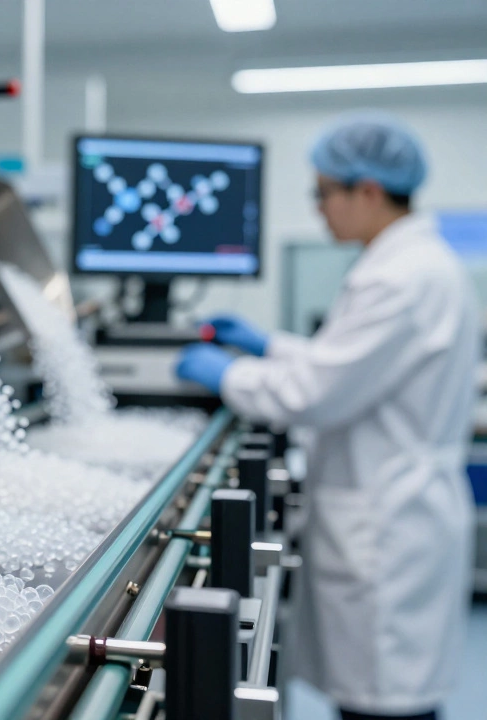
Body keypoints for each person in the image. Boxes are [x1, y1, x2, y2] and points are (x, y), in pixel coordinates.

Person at [175, 112, 478, 720]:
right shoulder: (407, 265)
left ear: (367, 190)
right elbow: (348, 365)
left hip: (389, 521)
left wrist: (225, 372)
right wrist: (270, 345)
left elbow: (312, 394)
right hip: (392, 507)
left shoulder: (401, 277)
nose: (319, 210)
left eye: (322, 194)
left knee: (386, 706)